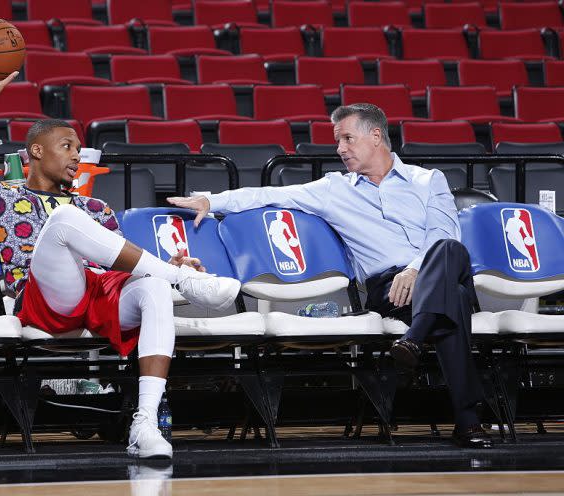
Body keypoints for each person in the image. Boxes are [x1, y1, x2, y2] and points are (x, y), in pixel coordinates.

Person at [0, 72, 241, 459]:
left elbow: (120, 267)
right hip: (45, 300)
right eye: (67, 146)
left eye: (79, 148)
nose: (77, 155)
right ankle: (182, 280)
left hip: (97, 295)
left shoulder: (96, 207)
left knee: (154, 288)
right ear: (36, 151)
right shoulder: (0, 197)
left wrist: (170, 264)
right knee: (63, 221)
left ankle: (144, 423)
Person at [169, 103, 492, 449]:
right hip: (391, 293)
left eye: (348, 139)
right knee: (453, 300)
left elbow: (445, 232)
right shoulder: (334, 189)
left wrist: (416, 269)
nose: (340, 149)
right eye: (339, 141)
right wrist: (210, 200)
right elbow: (268, 195)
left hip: (432, 273)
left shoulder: (429, 180)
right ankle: (468, 421)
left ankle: (415, 339)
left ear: (376, 136)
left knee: (449, 250)